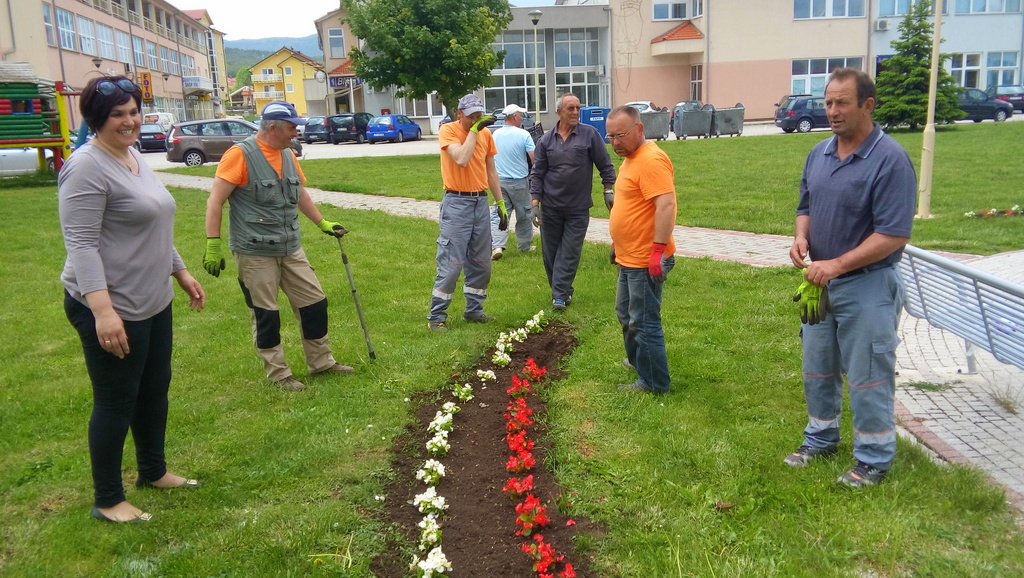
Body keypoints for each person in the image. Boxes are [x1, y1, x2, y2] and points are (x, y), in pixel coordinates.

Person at [58, 76, 206, 523]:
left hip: (153, 298)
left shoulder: (133, 156)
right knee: (116, 400)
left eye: (133, 111)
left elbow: (154, 220)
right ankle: (107, 499)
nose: (129, 121)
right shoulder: (86, 165)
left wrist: (179, 271)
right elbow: (81, 244)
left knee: (153, 389)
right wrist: (102, 311)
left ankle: (153, 471)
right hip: (110, 304)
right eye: (117, 114)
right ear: (96, 119)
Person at [785, 67, 917, 488]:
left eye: (842, 102)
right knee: (818, 367)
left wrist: (837, 265)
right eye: (828, 103)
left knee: (869, 373)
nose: (833, 111)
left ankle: (873, 458)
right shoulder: (819, 152)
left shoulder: (890, 160)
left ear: (867, 105)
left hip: (869, 286)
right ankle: (820, 437)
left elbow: (894, 234)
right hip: (820, 282)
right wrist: (801, 237)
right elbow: (805, 203)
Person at [203, 100, 353, 391]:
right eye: (291, 126)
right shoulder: (239, 155)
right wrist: (213, 244)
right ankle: (279, 374)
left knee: (314, 303)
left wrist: (321, 222)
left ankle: (321, 363)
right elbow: (215, 201)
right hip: (254, 250)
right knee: (266, 313)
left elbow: (298, 192)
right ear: (272, 128)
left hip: (290, 245)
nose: (295, 131)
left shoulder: (287, 154)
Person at [605, 105, 678, 394]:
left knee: (644, 320)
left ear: (639, 129)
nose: (615, 143)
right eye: (610, 137)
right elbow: (633, 206)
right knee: (626, 313)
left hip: (646, 258)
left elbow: (666, 205)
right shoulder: (631, 158)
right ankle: (640, 361)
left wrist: (657, 251)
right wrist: (617, 242)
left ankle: (654, 383)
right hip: (629, 255)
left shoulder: (651, 160)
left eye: (620, 135)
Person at [427, 93, 507, 332]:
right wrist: (474, 130)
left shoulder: (486, 134)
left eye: (479, 115)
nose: (476, 119)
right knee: (452, 263)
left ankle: (474, 310)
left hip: (480, 202)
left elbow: (491, 171)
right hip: (456, 203)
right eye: (471, 115)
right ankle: (436, 316)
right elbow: (461, 158)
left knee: (482, 262)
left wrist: (500, 203)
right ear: (459, 114)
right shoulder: (448, 131)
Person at [530, 93, 616, 311]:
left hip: (578, 208)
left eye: (578, 108)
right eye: (571, 108)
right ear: (559, 112)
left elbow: (605, 164)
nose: (576, 112)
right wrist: (534, 205)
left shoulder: (590, 135)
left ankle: (558, 296)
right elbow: (537, 173)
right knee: (550, 254)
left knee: (569, 251)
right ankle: (562, 291)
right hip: (551, 208)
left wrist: (608, 189)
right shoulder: (546, 140)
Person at [489, 103, 536, 260]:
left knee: (500, 213)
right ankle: (524, 246)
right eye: (520, 115)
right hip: (519, 182)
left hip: (499, 181)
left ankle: (497, 245)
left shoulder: (495, 135)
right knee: (524, 214)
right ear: (515, 117)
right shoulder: (523, 135)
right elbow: (534, 158)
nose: (522, 118)